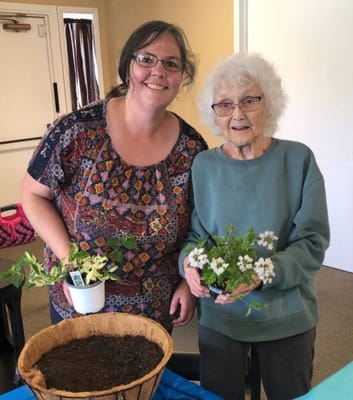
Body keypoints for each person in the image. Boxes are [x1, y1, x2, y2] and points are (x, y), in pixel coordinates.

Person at [20, 20, 208, 333]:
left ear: (180, 78)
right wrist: (72, 263)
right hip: (81, 299)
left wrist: (188, 284)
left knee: (146, 381)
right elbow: (32, 195)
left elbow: (202, 223)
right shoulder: (77, 130)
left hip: (154, 307)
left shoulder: (191, 148)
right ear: (127, 66)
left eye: (171, 64)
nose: (158, 71)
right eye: (146, 59)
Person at [179, 53, 330, 400]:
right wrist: (189, 263)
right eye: (225, 104)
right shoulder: (203, 166)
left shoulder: (298, 159)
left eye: (249, 100)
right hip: (221, 313)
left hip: (287, 313)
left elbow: (312, 241)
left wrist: (263, 274)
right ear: (214, 113)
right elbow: (196, 237)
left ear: (270, 103)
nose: (237, 114)